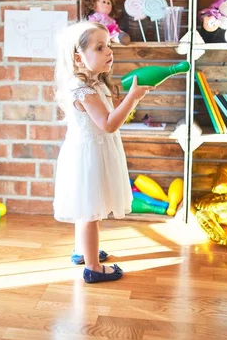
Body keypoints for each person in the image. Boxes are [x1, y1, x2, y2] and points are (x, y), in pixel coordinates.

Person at [53, 21, 153, 283]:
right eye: (99, 47)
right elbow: (108, 124)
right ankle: (93, 268)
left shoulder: (94, 84)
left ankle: (81, 252)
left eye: (108, 45)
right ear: (78, 58)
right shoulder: (83, 90)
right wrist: (134, 98)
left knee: (86, 207)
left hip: (92, 152)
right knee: (90, 213)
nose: (109, 51)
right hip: (88, 157)